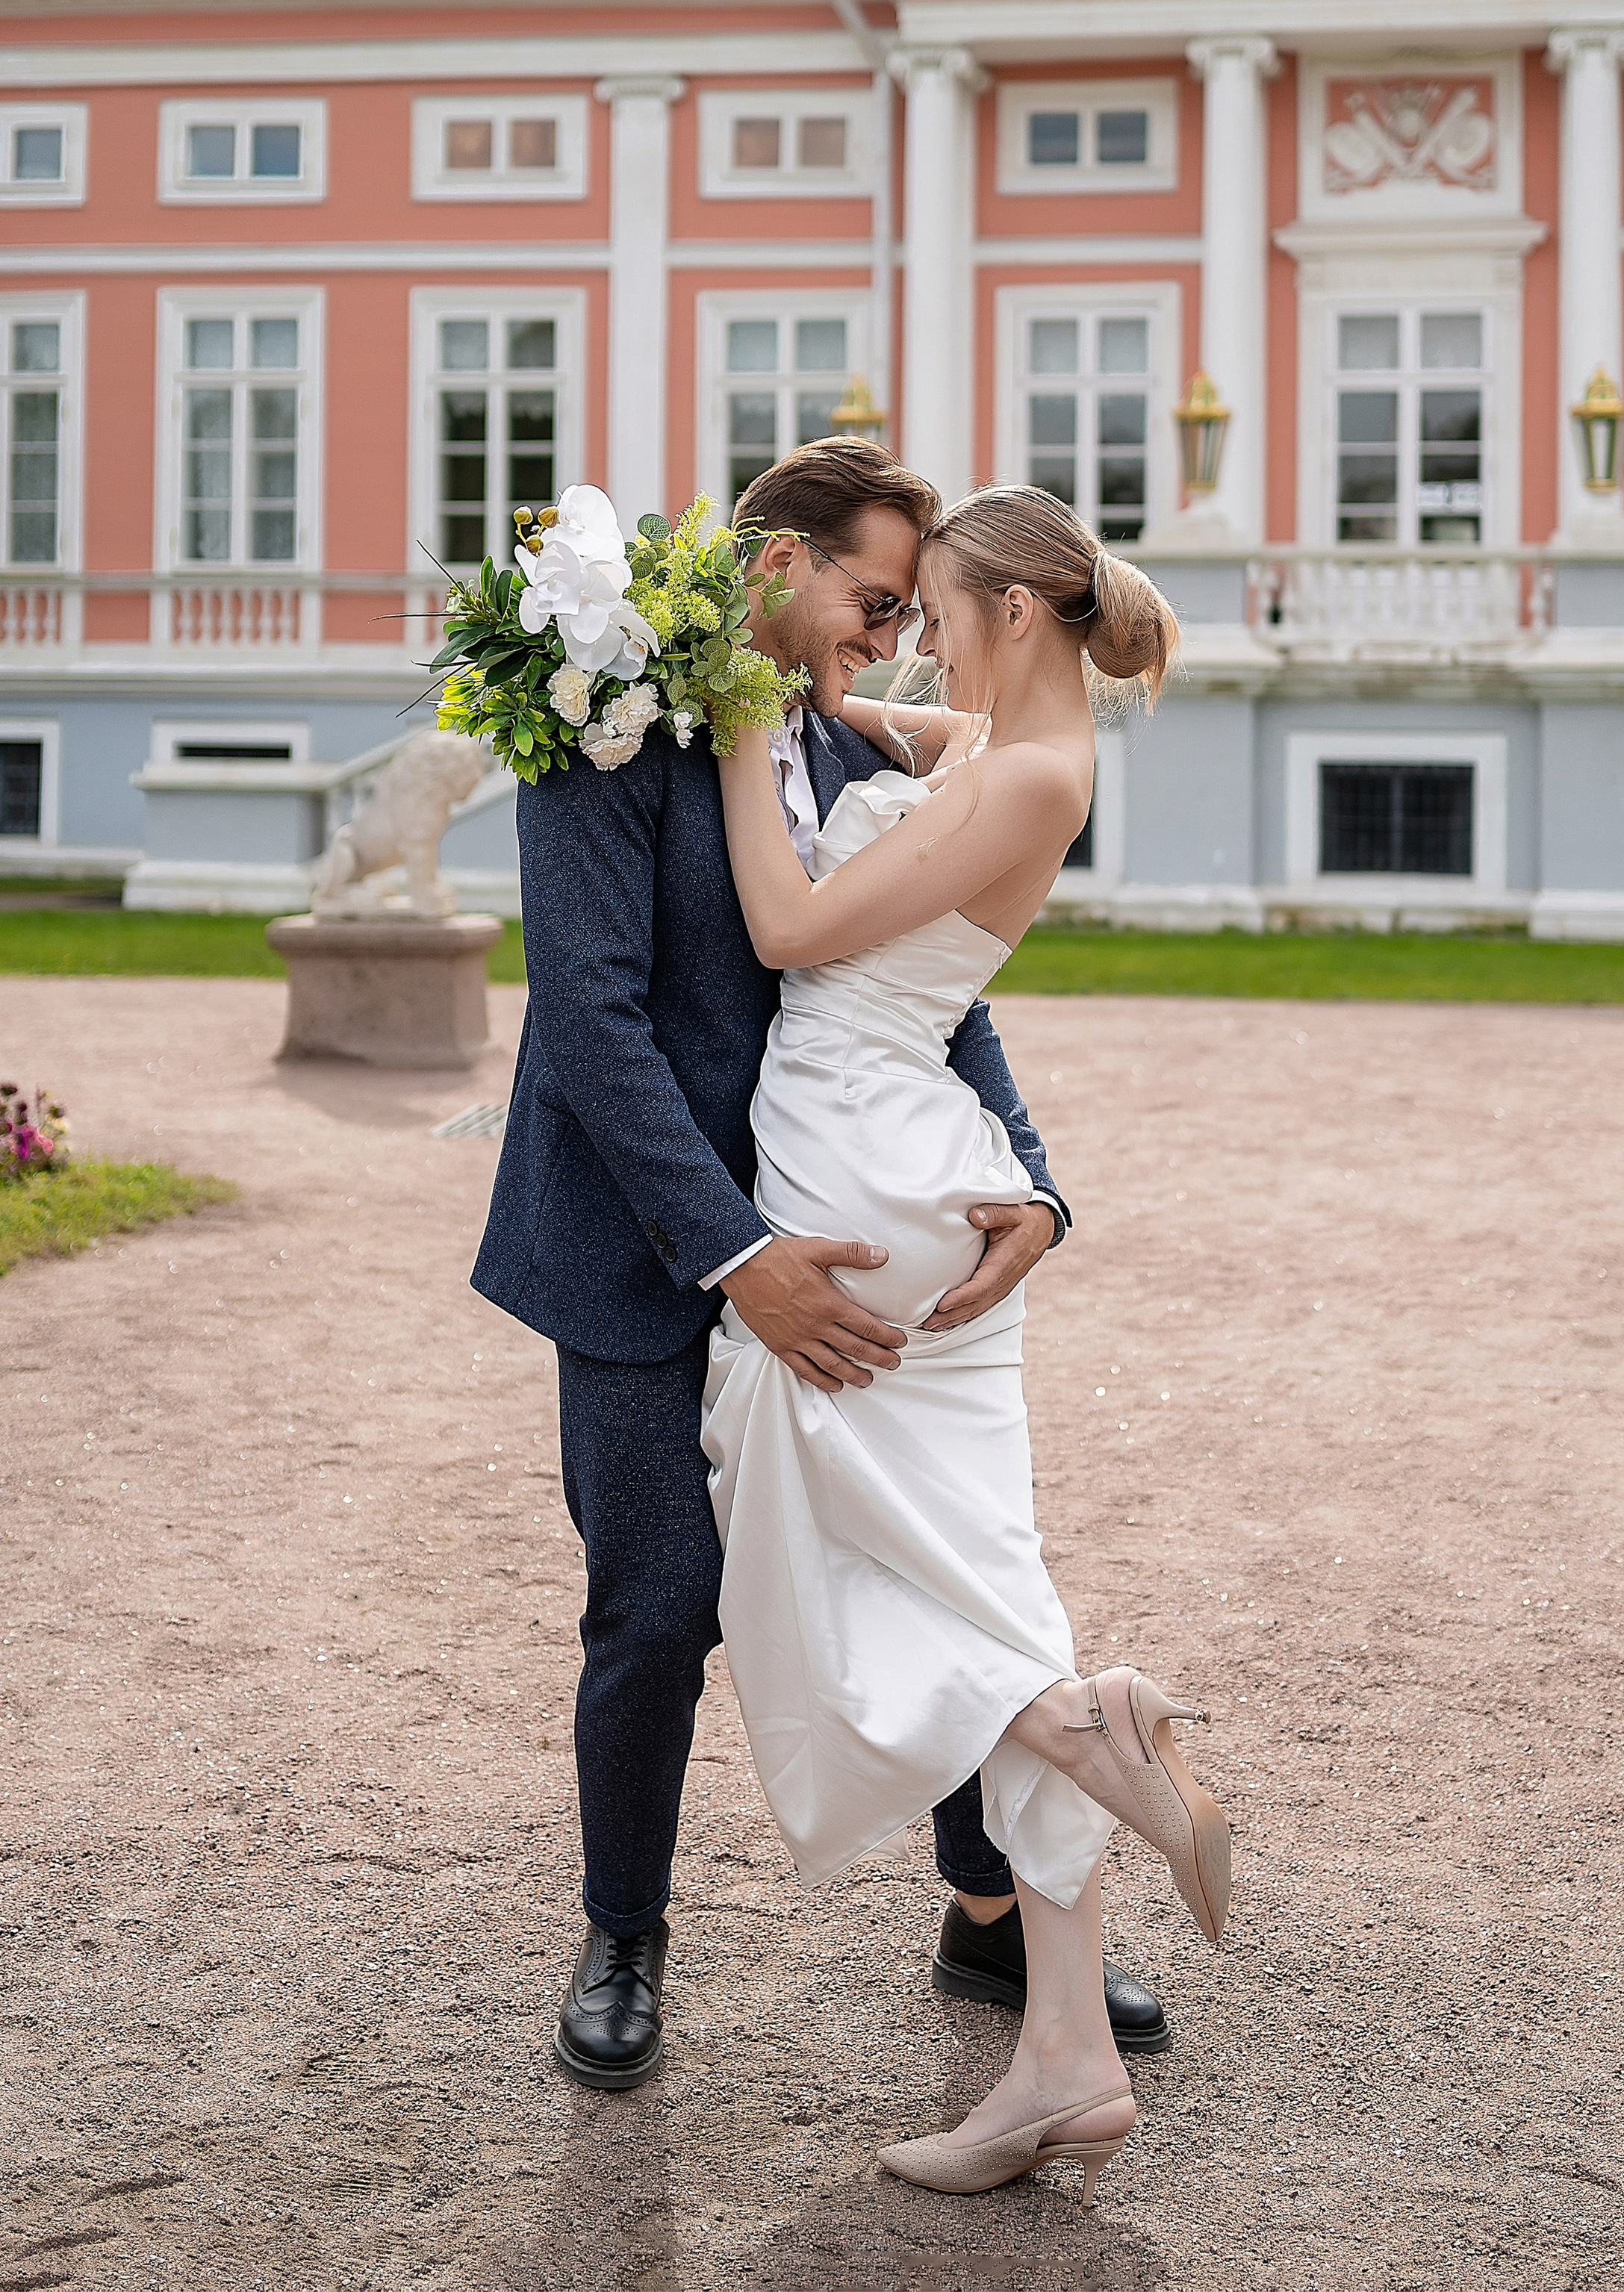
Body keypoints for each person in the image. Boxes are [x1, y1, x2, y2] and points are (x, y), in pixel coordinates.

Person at [471, 440, 1171, 2090]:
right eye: (873, 601)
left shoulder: (828, 725)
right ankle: (622, 1932)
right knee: (660, 1604)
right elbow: (591, 1018)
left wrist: (1036, 1185)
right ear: (774, 565)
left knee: (918, 1546)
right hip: (650, 1246)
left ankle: (986, 1914)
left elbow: (932, 981)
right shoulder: (607, 704)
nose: (895, 639)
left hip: (841, 1202)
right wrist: (734, 1256)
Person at [703, 482, 1229, 2205]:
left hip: (849, 1148)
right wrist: (802, 679)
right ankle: (1062, 2055)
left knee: (832, 1546)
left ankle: (1066, 1725)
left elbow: (784, 929)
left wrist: (723, 736)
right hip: (919, 1157)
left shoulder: (1016, 772)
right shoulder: (1023, 739)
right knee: (985, 1579)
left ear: (1011, 608)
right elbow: (873, 713)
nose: (911, 629)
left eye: (932, 601)